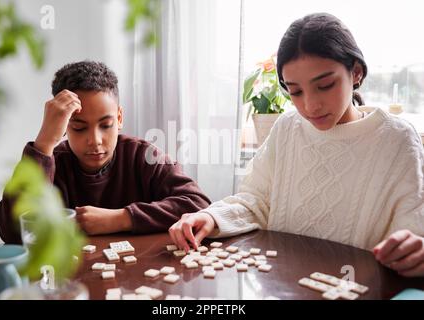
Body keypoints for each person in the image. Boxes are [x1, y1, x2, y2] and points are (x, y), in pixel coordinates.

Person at [169, 13, 424, 277]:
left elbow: (413, 230)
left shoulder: (397, 139)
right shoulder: (287, 127)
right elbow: (256, 200)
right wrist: (212, 217)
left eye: (325, 85)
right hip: (282, 287)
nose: (310, 105)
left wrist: (416, 252)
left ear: (356, 72)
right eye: (295, 91)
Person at [0, 61, 211, 243]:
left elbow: (198, 203)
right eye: (79, 127)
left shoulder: (143, 156)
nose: (95, 140)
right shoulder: (51, 162)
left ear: (119, 118)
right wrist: (44, 143)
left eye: (106, 125)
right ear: (64, 126)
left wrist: (121, 218)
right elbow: (12, 232)